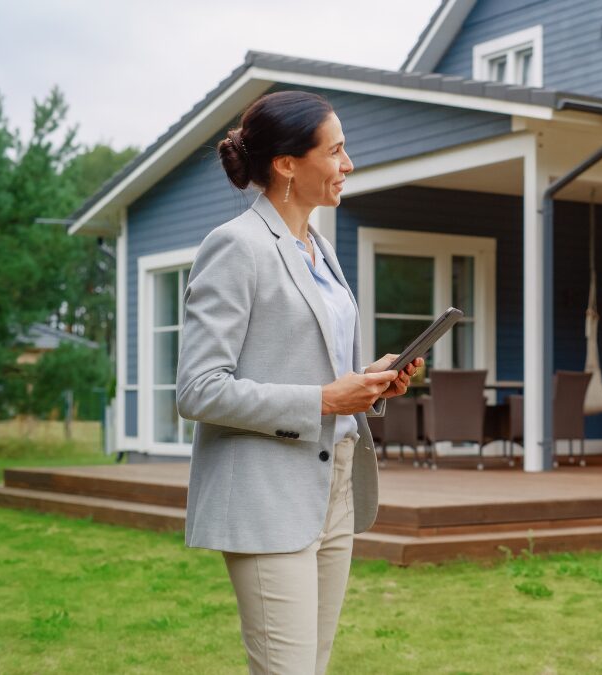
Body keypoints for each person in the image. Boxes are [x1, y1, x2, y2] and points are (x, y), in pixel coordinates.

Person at [176, 90, 421, 675]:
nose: (348, 163)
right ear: (287, 163)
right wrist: (323, 399)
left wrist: (368, 382)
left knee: (313, 664)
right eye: (335, 150)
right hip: (265, 494)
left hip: (333, 484)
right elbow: (198, 389)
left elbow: (314, 365)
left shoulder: (321, 250)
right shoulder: (238, 245)